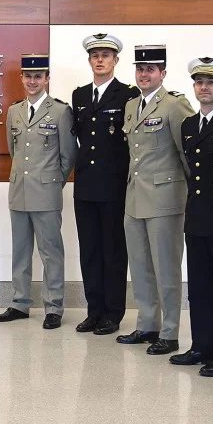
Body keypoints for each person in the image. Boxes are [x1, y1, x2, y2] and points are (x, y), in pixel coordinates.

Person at [116, 45, 195, 355]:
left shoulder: (175, 105)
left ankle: (170, 332)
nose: (144, 74)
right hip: (135, 197)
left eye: (150, 69)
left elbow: (188, 152)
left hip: (165, 198)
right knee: (140, 267)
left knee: (166, 269)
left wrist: (190, 192)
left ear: (163, 73)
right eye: (140, 69)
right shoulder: (131, 105)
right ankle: (148, 324)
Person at [0, 54, 77, 329]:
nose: (32, 81)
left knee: (50, 251)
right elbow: (14, 150)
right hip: (19, 190)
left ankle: (53, 307)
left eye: (38, 76)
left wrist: (52, 181)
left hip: (46, 192)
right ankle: (20, 303)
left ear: (47, 79)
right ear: (22, 78)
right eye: (28, 76)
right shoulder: (14, 111)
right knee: (20, 251)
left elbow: (68, 156)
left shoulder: (60, 112)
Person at [170, 57, 213, 377]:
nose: (204, 87)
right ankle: (202, 346)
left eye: (211, 82)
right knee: (199, 288)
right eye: (199, 82)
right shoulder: (188, 125)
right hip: (197, 216)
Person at [71, 34, 139, 336]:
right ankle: (94, 311)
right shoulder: (80, 96)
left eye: (106, 55)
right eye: (95, 55)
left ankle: (113, 313)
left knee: (113, 252)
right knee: (89, 251)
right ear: (89, 60)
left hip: (114, 185)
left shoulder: (128, 94)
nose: (100, 60)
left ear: (115, 61)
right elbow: (80, 137)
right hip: (86, 184)